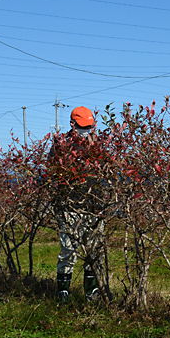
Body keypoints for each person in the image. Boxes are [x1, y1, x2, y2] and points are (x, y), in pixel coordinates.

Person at [50, 106, 106, 302]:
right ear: (72, 124)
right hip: (69, 206)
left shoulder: (96, 144)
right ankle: (63, 292)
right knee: (68, 250)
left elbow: (104, 171)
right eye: (83, 126)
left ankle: (92, 292)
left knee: (94, 250)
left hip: (94, 205)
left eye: (89, 126)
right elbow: (53, 173)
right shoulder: (61, 145)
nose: (86, 130)